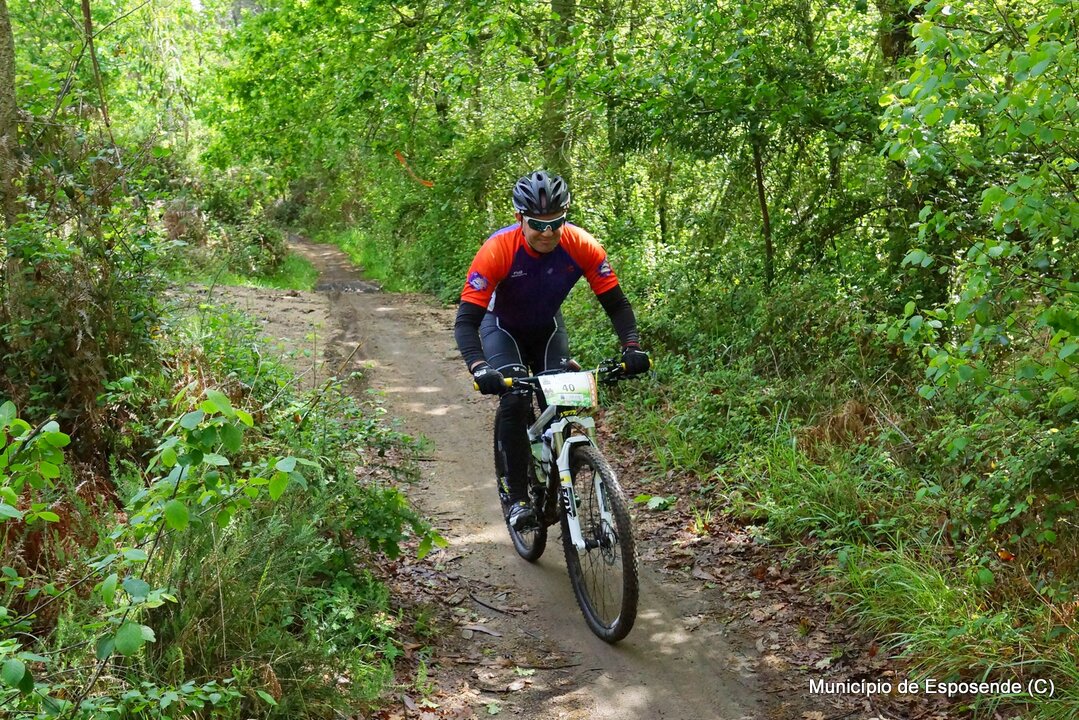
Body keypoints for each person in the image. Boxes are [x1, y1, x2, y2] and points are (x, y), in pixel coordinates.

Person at [454, 170, 651, 530]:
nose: (547, 233)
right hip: (501, 328)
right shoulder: (497, 250)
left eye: (555, 223)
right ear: (519, 218)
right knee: (515, 399)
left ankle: (560, 476)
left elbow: (616, 304)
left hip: (546, 328)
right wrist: (479, 366)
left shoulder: (581, 245)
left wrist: (632, 347)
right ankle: (516, 497)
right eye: (537, 225)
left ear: (566, 216)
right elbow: (466, 321)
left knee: (560, 402)